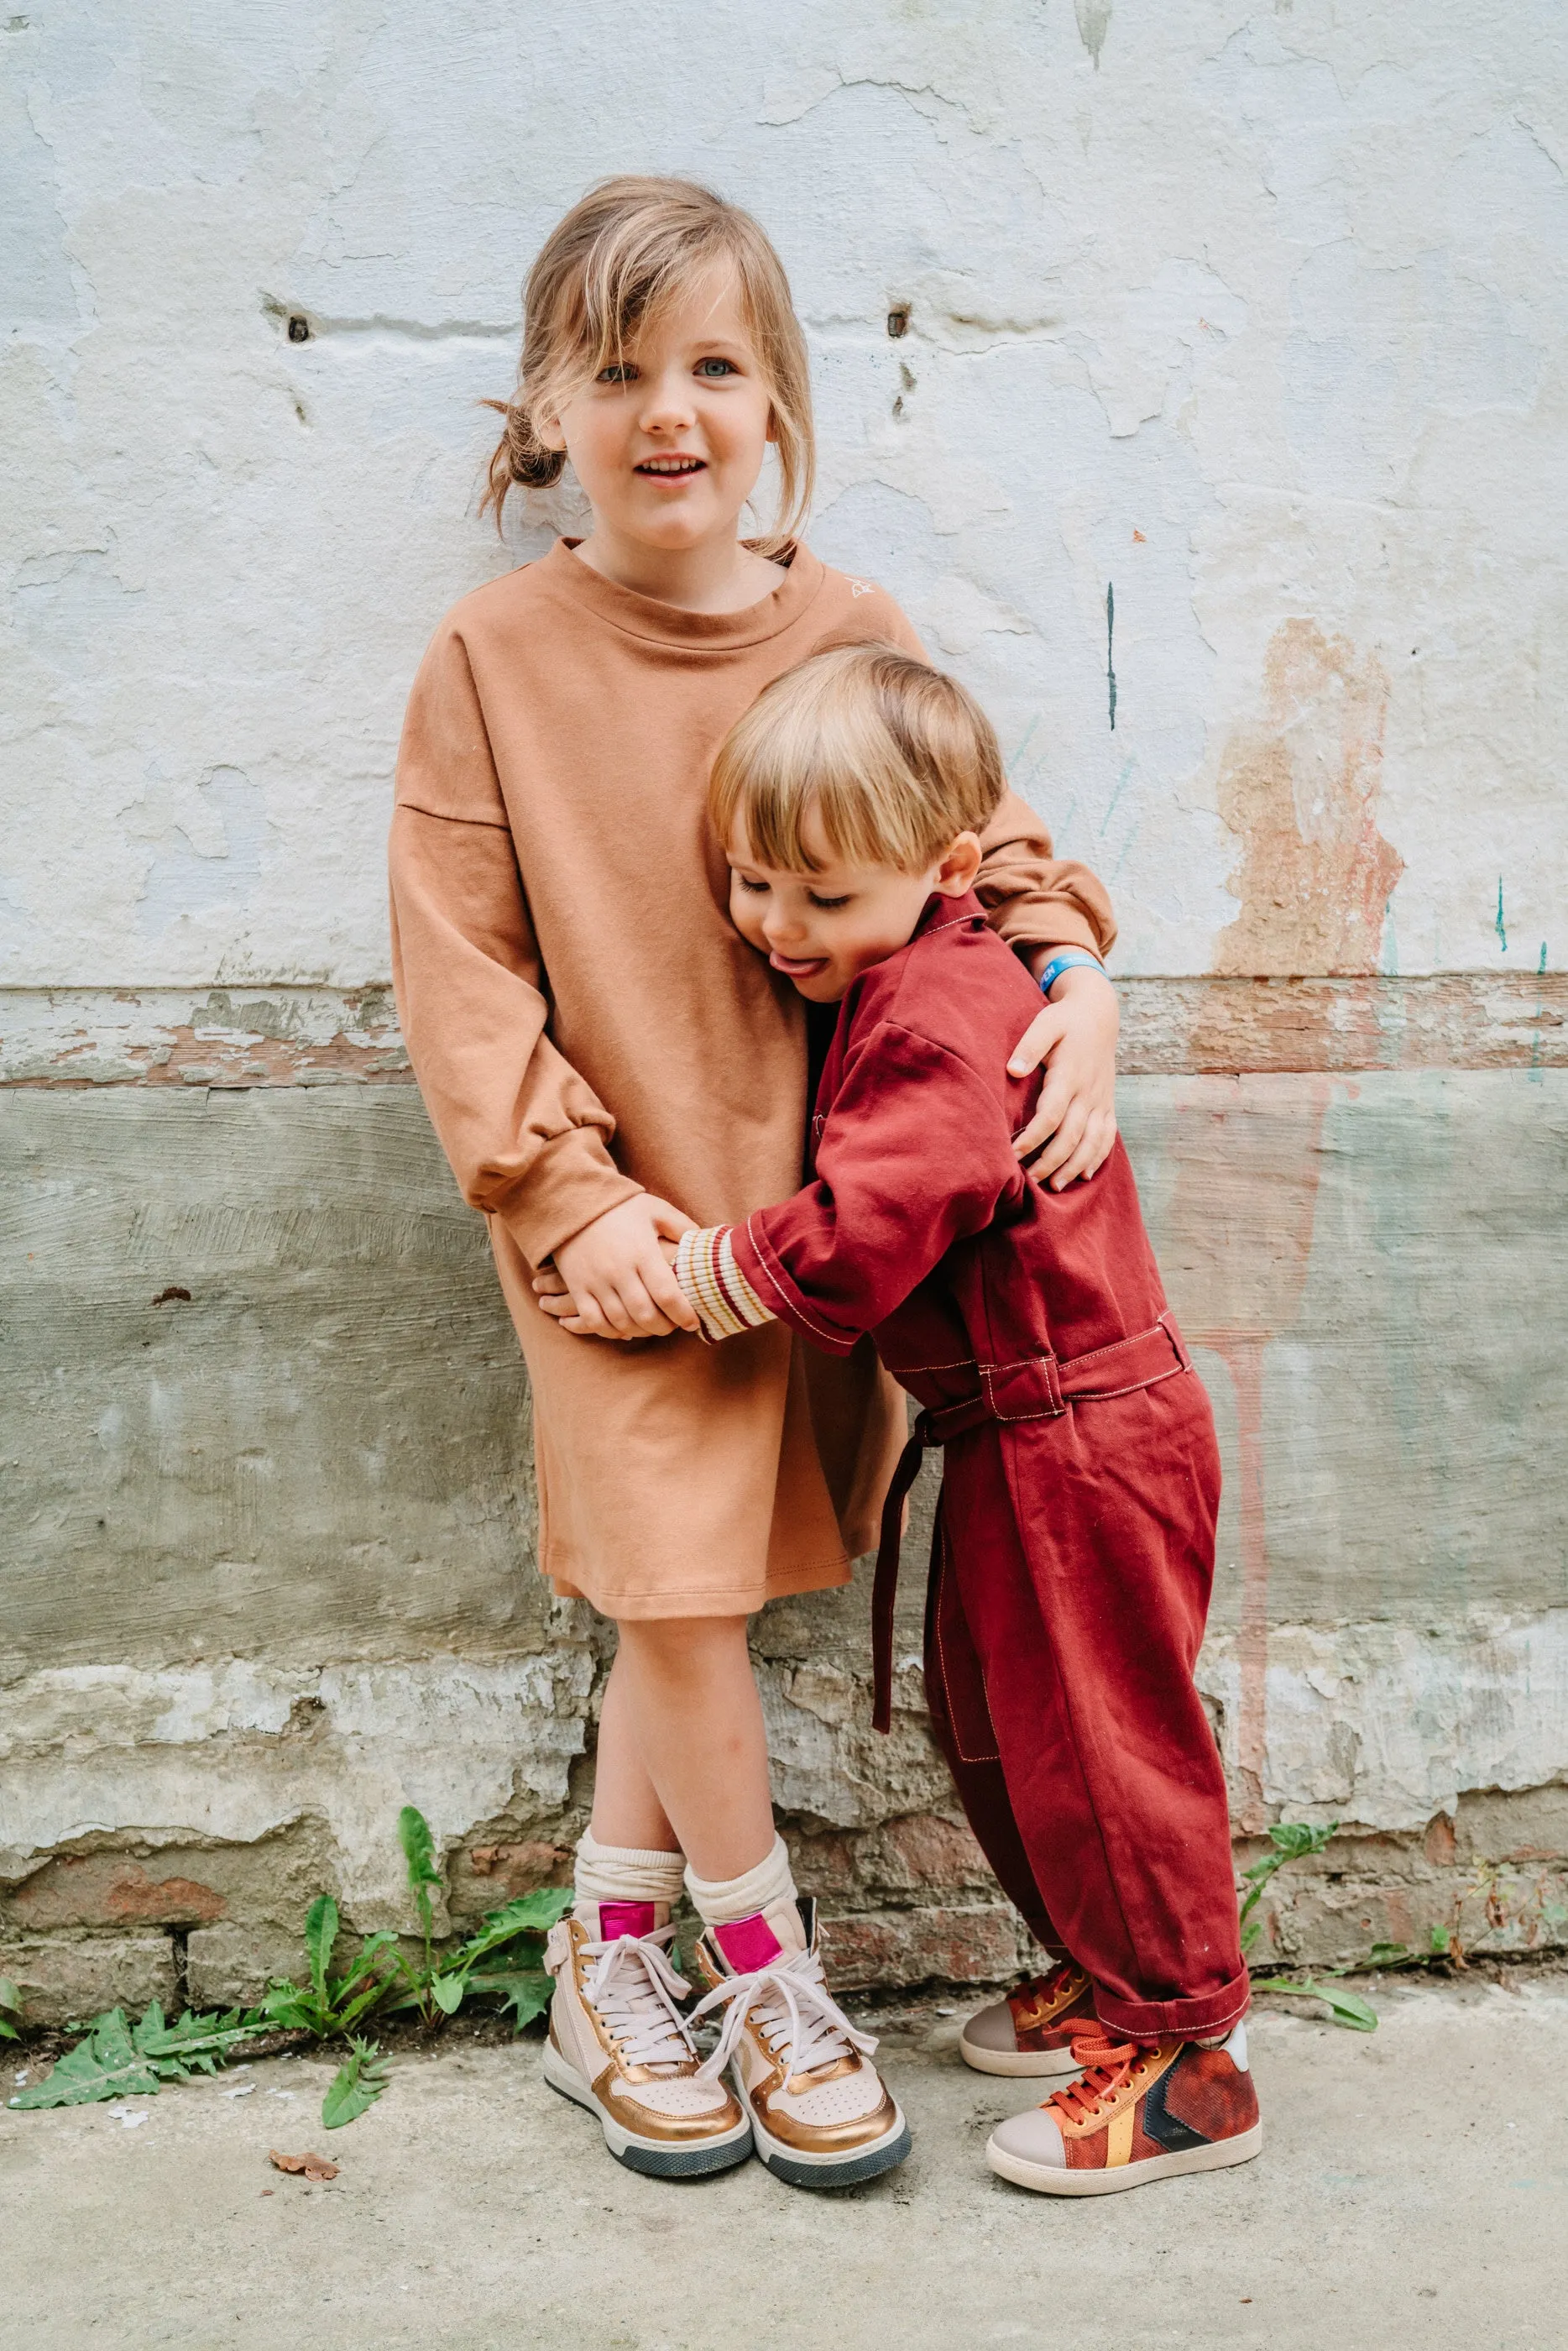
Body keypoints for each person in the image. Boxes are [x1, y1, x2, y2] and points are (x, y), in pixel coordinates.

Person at [389, 175, 1121, 2190]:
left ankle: (600, 1963)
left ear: (780, 396)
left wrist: (1083, 987)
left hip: (818, 1244)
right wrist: (563, 1200)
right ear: (546, 406)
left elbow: (990, 848)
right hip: (620, 1245)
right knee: (686, 1599)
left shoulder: (847, 631)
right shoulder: (495, 652)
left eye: (713, 363)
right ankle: (765, 1964)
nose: (668, 412)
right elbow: (461, 973)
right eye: (616, 370)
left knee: (675, 1601)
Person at [544, 641, 1259, 2198]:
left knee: (1096, 1742)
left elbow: (885, 1215)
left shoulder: (938, 1007)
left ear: (944, 870)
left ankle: (1189, 2061)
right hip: (1019, 1431)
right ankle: (1104, 1973)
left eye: (820, 897)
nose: (775, 929)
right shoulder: (893, 970)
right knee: (1003, 1729)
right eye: (751, 886)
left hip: (1078, 1429)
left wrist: (701, 1274)